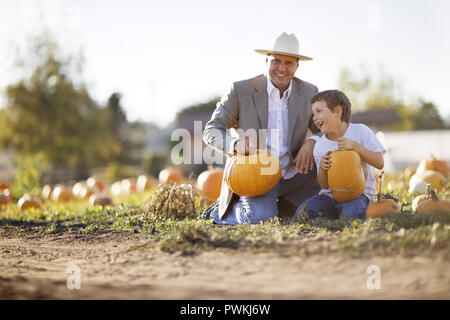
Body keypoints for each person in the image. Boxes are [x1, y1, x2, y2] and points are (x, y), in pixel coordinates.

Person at [201, 32, 321, 225]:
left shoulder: (309, 92)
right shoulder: (241, 90)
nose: (282, 68)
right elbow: (212, 130)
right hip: (256, 176)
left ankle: (286, 206)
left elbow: (326, 129)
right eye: (276, 61)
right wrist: (235, 144)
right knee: (260, 219)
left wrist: (312, 142)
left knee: (321, 202)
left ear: (297, 66)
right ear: (266, 61)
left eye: (289, 63)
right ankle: (220, 212)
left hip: (295, 174)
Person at [295, 89, 385, 220]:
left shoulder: (360, 131)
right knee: (313, 207)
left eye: (319, 111)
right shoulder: (320, 145)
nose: (314, 118)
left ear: (338, 111)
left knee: (352, 211)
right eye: (313, 114)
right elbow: (323, 185)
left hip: (358, 194)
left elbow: (379, 162)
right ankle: (336, 215)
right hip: (329, 196)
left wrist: (356, 147)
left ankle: (343, 215)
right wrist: (322, 168)